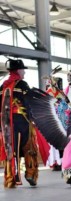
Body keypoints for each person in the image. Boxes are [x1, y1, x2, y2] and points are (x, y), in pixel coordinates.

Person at [0, 59, 38, 188]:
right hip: (22, 120)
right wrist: (33, 118)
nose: (24, 73)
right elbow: (29, 103)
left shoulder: (3, 85)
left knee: (10, 149)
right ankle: (30, 173)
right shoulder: (22, 84)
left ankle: (11, 178)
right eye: (23, 70)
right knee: (29, 147)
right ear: (18, 71)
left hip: (7, 124)